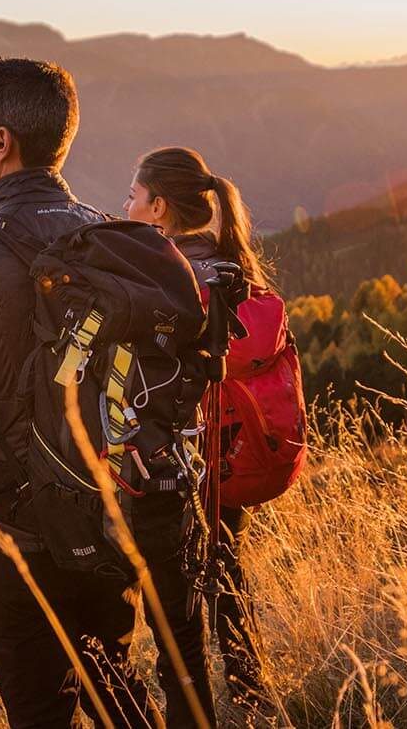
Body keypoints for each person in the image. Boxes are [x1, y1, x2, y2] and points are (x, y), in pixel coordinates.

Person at [0, 58, 204, 728]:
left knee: (40, 715)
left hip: (15, 538)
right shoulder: (119, 243)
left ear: (3, 142)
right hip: (109, 520)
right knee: (117, 696)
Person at [124, 146, 275, 713]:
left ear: (159, 207)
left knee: (174, 598)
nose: (126, 206)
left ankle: (193, 705)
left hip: (174, 460)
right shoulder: (230, 264)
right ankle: (250, 689)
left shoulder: (165, 277)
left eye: (133, 197)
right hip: (229, 447)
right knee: (227, 565)